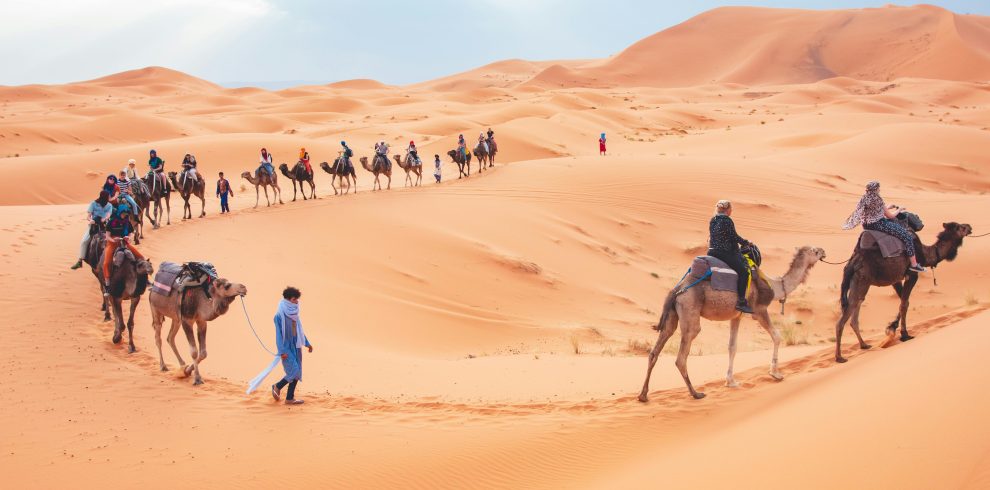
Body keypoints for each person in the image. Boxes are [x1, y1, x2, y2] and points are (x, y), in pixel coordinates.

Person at [843, 181, 924, 273]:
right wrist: (899, 209)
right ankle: (914, 265)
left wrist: (888, 207)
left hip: (866, 226)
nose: (879, 190)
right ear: (876, 189)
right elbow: (890, 216)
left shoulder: (864, 199)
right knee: (907, 237)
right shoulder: (878, 199)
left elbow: (874, 211)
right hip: (878, 224)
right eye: (878, 188)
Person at [708, 200, 754, 313]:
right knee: (744, 272)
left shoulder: (713, 219)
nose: (731, 211)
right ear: (727, 210)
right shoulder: (727, 220)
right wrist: (746, 243)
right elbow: (734, 237)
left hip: (711, 252)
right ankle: (741, 302)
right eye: (731, 209)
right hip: (723, 253)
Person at [271, 286, 312, 405]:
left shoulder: (295, 314)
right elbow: (279, 335)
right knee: (293, 371)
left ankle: (289, 398)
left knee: (297, 372)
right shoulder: (279, 316)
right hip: (286, 347)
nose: (297, 301)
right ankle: (277, 386)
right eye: (294, 299)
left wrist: (307, 344)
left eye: (297, 299)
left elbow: (299, 331)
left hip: (296, 346)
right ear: (288, 299)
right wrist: (282, 351)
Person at [102, 203, 146, 291]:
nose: (125, 215)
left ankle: (144, 280)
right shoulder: (112, 222)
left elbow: (130, 232)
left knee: (141, 258)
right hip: (113, 243)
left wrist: (128, 237)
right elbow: (107, 236)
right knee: (106, 263)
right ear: (119, 213)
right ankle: (107, 283)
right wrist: (113, 240)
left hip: (124, 243)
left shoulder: (127, 222)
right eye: (123, 213)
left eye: (126, 214)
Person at [71, 191, 113, 270]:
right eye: (108, 197)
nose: (108, 198)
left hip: (105, 226)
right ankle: (80, 261)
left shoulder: (109, 205)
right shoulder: (93, 204)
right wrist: (91, 220)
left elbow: (108, 215)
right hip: (93, 225)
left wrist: (104, 219)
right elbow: (88, 216)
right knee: (84, 241)